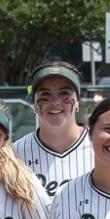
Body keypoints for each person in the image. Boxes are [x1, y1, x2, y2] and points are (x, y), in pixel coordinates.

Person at [15, 61, 93, 199]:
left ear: (78, 101)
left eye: (64, 93)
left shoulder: (99, 148)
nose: (55, 102)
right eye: (45, 94)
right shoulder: (14, 155)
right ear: (33, 102)